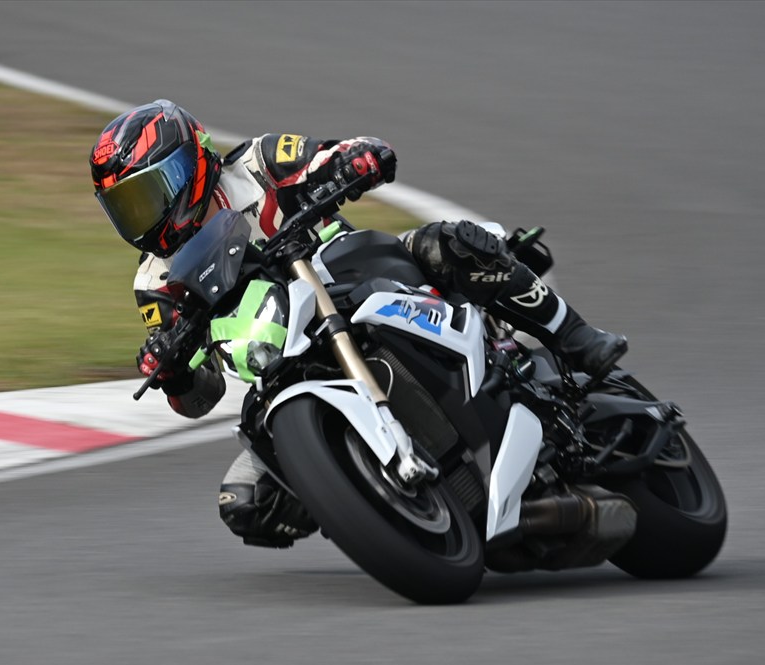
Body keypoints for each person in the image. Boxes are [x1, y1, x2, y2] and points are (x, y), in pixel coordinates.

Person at [90, 99, 627, 549]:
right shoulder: (154, 282)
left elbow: (330, 154)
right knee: (246, 502)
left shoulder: (256, 163)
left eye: (147, 194)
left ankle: (576, 337)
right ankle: (373, 501)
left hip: (355, 276)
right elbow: (198, 396)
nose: (143, 215)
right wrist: (173, 375)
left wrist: (356, 159)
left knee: (449, 244)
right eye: (126, 207)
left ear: (190, 163)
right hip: (282, 358)